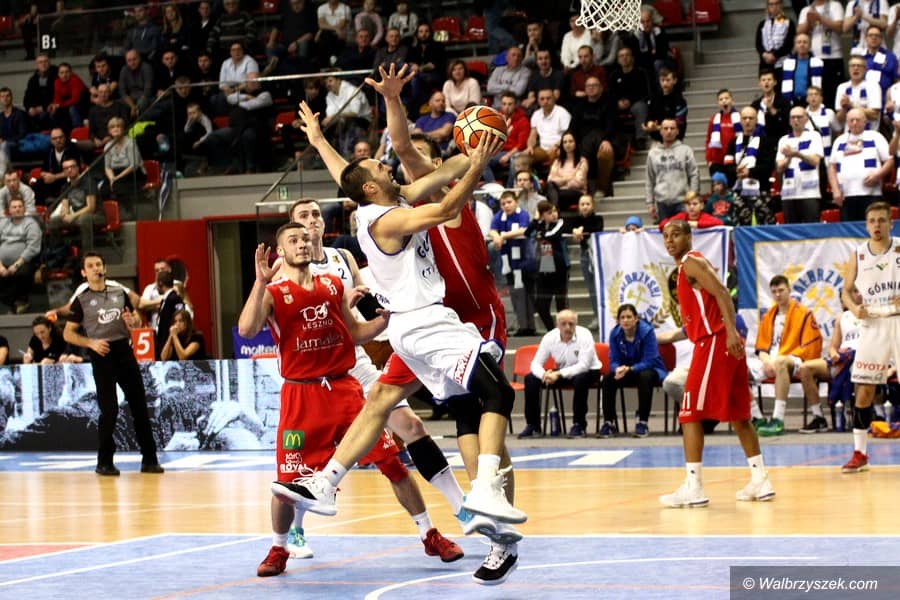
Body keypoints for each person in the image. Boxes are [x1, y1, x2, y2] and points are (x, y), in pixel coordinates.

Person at [295, 65, 523, 581]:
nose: (400, 161)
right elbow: (377, 163)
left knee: (470, 418)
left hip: (472, 318)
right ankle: (330, 482)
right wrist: (390, 105)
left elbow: (391, 160)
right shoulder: (399, 208)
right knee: (410, 403)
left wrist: (326, 139)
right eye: (391, 164)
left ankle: (496, 526)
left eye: (409, 158)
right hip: (428, 322)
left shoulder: (434, 194)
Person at [237, 224, 452, 576]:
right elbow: (247, 329)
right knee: (286, 485)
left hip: (344, 390)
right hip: (300, 397)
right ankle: (278, 549)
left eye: (305, 239)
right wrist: (260, 282)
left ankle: (429, 534)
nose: (302, 244)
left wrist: (384, 322)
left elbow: (354, 334)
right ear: (281, 251)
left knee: (392, 463)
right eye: (293, 240)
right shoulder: (273, 292)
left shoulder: (333, 285)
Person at [659, 219, 774, 507]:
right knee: (738, 414)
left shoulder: (691, 262)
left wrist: (731, 332)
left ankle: (693, 486)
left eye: (676, 234)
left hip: (714, 342)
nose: (670, 240)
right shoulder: (686, 269)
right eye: (666, 236)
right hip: (719, 342)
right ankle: (760, 479)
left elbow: (722, 292)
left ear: (689, 237)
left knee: (689, 412)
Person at [63, 252, 164, 477]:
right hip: (102, 353)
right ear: (84, 272)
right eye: (91, 266)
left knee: (139, 405)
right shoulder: (81, 300)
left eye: (99, 264)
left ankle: (150, 459)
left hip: (123, 351)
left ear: (105, 268)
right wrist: (90, 343)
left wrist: (132, 321)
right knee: (109, 409)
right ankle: (104, 462)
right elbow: (68, 333)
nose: (96, 268)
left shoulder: (119, 292)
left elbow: (136, 321)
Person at [837, 202, 900, 472]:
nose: (877, 225)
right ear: (866, 225)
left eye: (882, 220)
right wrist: (854, 309)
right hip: (873, 323)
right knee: (863, 389)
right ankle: (860, 453)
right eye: (872, 221)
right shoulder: (858, 255)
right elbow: (845, 291)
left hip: (898, 319)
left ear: (891, 223)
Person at [750, 274, 823, 436]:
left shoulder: (804, 313)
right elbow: (761, 348)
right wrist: (767, 361)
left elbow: (811, 346)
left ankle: (778, 419)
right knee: (738, 368)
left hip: (794, 360)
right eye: (774, 291)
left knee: (782, 362)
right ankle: (757, 417)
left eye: (781, 290)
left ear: (789, 290)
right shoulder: (768, 316)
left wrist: (778, 360)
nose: (778, 295)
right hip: (771, 360)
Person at [520, 309, 601, 438]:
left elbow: (583, 365)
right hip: (563, 371)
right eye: (563, 324)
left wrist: (557, 374)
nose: (567, 327)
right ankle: (533, 425)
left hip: (589, 370)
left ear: (576, 324)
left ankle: (579, 425)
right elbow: (535, 364)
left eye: (571, 324)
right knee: (530, 379)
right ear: (557, 324)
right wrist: (544, 375)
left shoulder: (585, 335)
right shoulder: (549, 337)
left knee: (581, 379)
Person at [796, 285, 863, 434]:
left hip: (863, 358)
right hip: (843, 358)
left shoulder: (870, 313)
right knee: (805, 368)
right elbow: (833, 347)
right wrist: (834, 354)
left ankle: (861, 416)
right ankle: (819, 418)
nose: (857, 295)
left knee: (858, 367)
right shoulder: (842, 318)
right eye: (853, 292)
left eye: (859, 291)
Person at [599, 303, 668, 438]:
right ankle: (609, 422)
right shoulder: (615, 334)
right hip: (626, 371)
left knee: (645, 377)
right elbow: (614, 359)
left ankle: (643, 422)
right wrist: (617, 369)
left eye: (629, 317)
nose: (625, 320)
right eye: (622, 317)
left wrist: (630, 368)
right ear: (618, 320)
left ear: (636, 319)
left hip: (651, 369)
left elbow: (650, 360)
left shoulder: (647, 332)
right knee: (608, 378)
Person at [828, 107, 892, 221]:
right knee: (849, 230)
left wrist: (877, 175)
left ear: (865, 121)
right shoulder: (839, 141)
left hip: (871, 194)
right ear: (847, 122)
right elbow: (832, 166)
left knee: (873, 227)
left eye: (857, 120)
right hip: (846, 196)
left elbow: (889, 160)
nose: (854, 123)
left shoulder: (875, 136)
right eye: (851, 120)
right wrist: (835, 190)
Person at [491, 190, 536, 336]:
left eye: (509, 202)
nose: (506, 206)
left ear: (516, 202)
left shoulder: (522, 214)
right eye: (503, 203)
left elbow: (523, 230)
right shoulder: (499, 216)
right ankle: (522, 326)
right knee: (515, 294)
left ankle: (529, 326)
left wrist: (503, 236)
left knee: (527, 294)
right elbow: (492, 230)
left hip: (524, 260)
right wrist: (496, 236)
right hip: (508, 263)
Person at [722, 106, 777, 226]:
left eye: (751, 118)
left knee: (765, 227)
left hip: (761, 191)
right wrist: (737, 170)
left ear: (756, 120)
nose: (747, 121)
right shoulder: (733, 142)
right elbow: (727, 166)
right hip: (739, 191)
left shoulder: (766, 142)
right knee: (740, 228)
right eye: (745, 118)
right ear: (740, 120)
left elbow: (768, 167)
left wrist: (749, 172)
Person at [775, 106, 825, 223]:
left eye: (799, 117)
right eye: (793, 117)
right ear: (789, 121)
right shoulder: (784, 140)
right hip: (789, 193)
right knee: (791, 229)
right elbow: (779, 168)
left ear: (806, 119)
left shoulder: (814, 136)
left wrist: (797, 154)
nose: (796, 120)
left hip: (810, 193)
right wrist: (789, 157)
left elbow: (815, 161)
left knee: (811, 228)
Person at [646, 118, 699, 222]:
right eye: (665, 128)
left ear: (677, 131)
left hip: (682, 201)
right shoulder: (653, 154)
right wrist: (650, 203)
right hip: (662, 203)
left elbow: (694, 174)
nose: (669, 131)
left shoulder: (686, 150)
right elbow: (649, 180)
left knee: (682, 231)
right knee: (665, 231)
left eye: (672, 128)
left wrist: (692, 198)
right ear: (661, 131)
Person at [530, 200, 570, 332]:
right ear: (542, 215)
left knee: (561, 305)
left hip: (559, 268)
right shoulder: (540, 224)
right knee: (541, 305)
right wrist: (536, 220)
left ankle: (565, 332)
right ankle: (552, 331)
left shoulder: (560, 223)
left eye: (554, 211)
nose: (553, 214)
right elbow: (528, 233)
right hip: (544, 267)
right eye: (549, 212)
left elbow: (551, 235)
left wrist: (540, 233)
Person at [569, 194, 605, 329]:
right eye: (582, 204)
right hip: (585, 256)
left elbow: (596, 228)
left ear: (593, 206)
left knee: (600, 287)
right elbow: (567, 227)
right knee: (591, 288)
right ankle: (597, 315)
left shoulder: (598, 219)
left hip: (597, 255)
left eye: (587, 204)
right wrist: (574, 229)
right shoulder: (576, 220)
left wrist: (581, 229)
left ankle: (605, 315)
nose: (585, 207)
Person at [49, 158, 101, 250]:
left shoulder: (89, 183)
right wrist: (65, 213)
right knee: (53, 221)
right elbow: (65, 204)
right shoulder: (65, 187)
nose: (69, 170)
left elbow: (91, 207)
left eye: (72, 167)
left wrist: (72, 216)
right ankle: (60, 251)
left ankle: (87, 253)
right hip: (75, 216)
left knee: (84, 219)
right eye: (66, 168)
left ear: (77, 168)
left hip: (95, 215)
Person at [0, 197, 41, 315]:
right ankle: (9, 303)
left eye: (19, 206)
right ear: (9, 210)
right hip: (2, 263)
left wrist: (16, 265)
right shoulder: (2, 223)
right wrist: (0, 267)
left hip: (24, 262)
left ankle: (20, 301)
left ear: (24, 209)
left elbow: (33, 248)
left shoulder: (31, 224)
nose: (17, 209)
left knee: (22, 273)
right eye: (14, 207)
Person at [545, 131, 588, 208]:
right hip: (559, 192)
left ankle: (554, 209)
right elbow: (550, 180)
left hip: (576, 193)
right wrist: (567, 179)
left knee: (553, 194)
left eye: (570, 141)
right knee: (551, 187)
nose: (567, 144)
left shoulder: (582, 161)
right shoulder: (557, 162)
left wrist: (560, 182)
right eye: (565, 142)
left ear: (576, 143)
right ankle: (555, 208)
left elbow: (578, 183)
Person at [705, 89, 740, 178]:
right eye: (721, 99)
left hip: (733, 160)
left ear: (732, 100)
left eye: (726, 98)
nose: (724, 101)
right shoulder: (714, 119)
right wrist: (709, 160)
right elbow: (708, 140)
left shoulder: (740, 118)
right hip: (717, 161)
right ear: (718, 103)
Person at [780, 33, 824, 105]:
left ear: (810, 45)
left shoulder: (818, 63)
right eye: (799, 42)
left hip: (810, 101)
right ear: (795, 45)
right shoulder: (787, 64)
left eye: (805, 42)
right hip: (792, 101)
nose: (802, 45)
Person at [755, 0, 795, 75]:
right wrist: (764, 54)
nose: (774, 7)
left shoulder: (789, 22)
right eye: (771, 4)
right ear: (767, 6)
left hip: (783, 62)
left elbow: (789, 44)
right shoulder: (762, 24)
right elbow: (758, 44)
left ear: (781, 5)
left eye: (777, 3)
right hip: (765, 62)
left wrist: (775, 55)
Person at [659, 191, 724, 230]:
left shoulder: (704, 216)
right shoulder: (681, 216)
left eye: (695, 204)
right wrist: (676, 225)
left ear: (702, 206)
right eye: (688, 204)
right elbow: (662, 225)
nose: (691, 207)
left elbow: (719, 223)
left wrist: (697, 224)